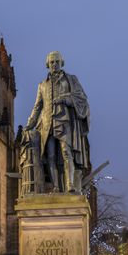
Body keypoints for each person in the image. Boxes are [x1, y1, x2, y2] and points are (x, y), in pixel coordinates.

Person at [24, 51, 90, 192]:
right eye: (52, 62)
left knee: (66, 152)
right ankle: (56, 187)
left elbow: (81, 98)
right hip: (47, 124)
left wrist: (65, 98)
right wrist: (30, 123)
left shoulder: (71, 79)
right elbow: (37, 106)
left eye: (57, 62)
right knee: (51, 157)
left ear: (62, 63)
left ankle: (70, 185)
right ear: (47, 64)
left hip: (63, 120)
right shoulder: (42, 85)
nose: (54, 64)